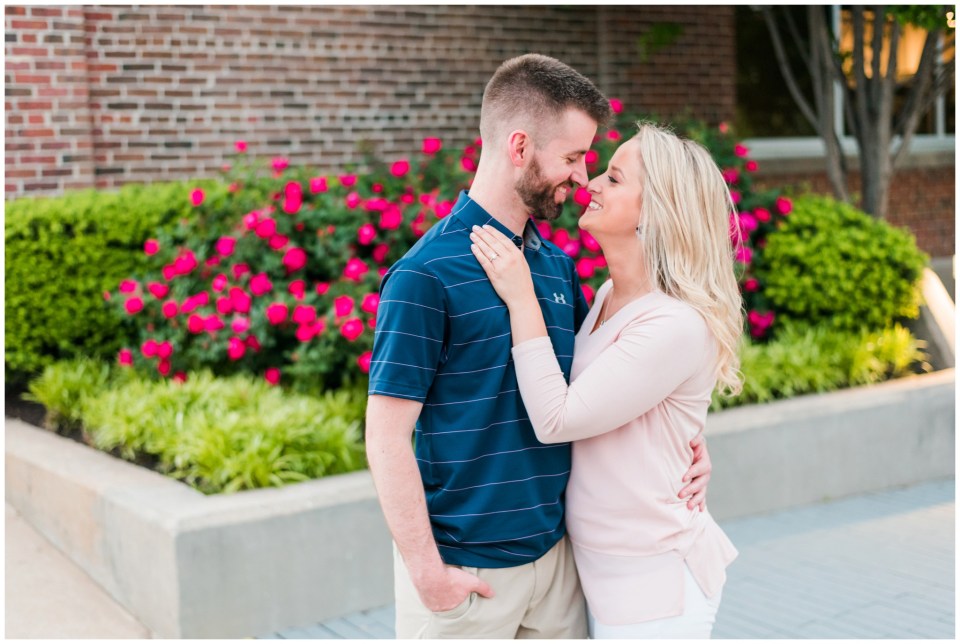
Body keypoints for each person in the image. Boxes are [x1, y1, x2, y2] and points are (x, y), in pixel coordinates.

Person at [365, 55, 714, 639]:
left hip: (559, 569)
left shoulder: (555, 268)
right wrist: (427, 574)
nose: (582, 178)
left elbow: (599, 388)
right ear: (520, 146)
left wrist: (690, 444)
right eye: (573, 158)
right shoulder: (425, 274)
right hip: (467, 574)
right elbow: (385, 435)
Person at [467, 121, 742, 638]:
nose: (590, 182)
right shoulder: (607, 296)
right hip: (604, 579)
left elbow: (557, 419)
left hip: (656, 586)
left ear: (655, 211)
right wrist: (682, 441)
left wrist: (521, 296)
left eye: (613, 178)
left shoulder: (674, 323)